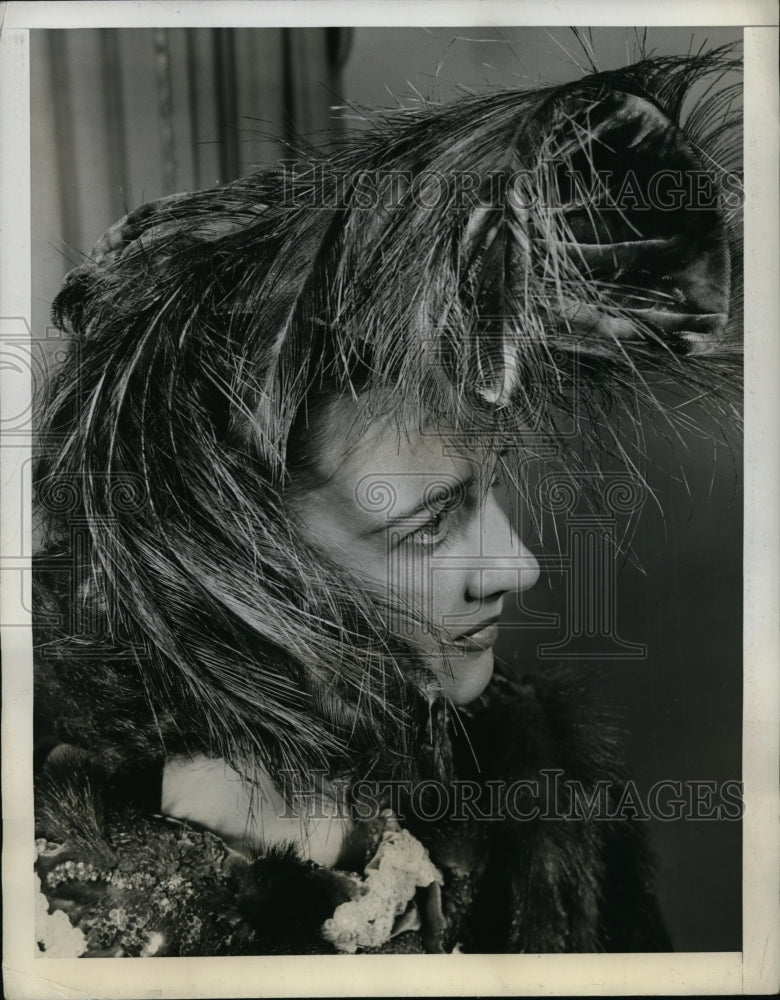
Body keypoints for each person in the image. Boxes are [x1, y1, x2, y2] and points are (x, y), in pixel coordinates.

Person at [33, 48, 741, 956]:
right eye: (431, 521)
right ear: (242, 564)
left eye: (488, 488)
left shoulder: (541, 791)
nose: (519, 564)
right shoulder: (90, 902)